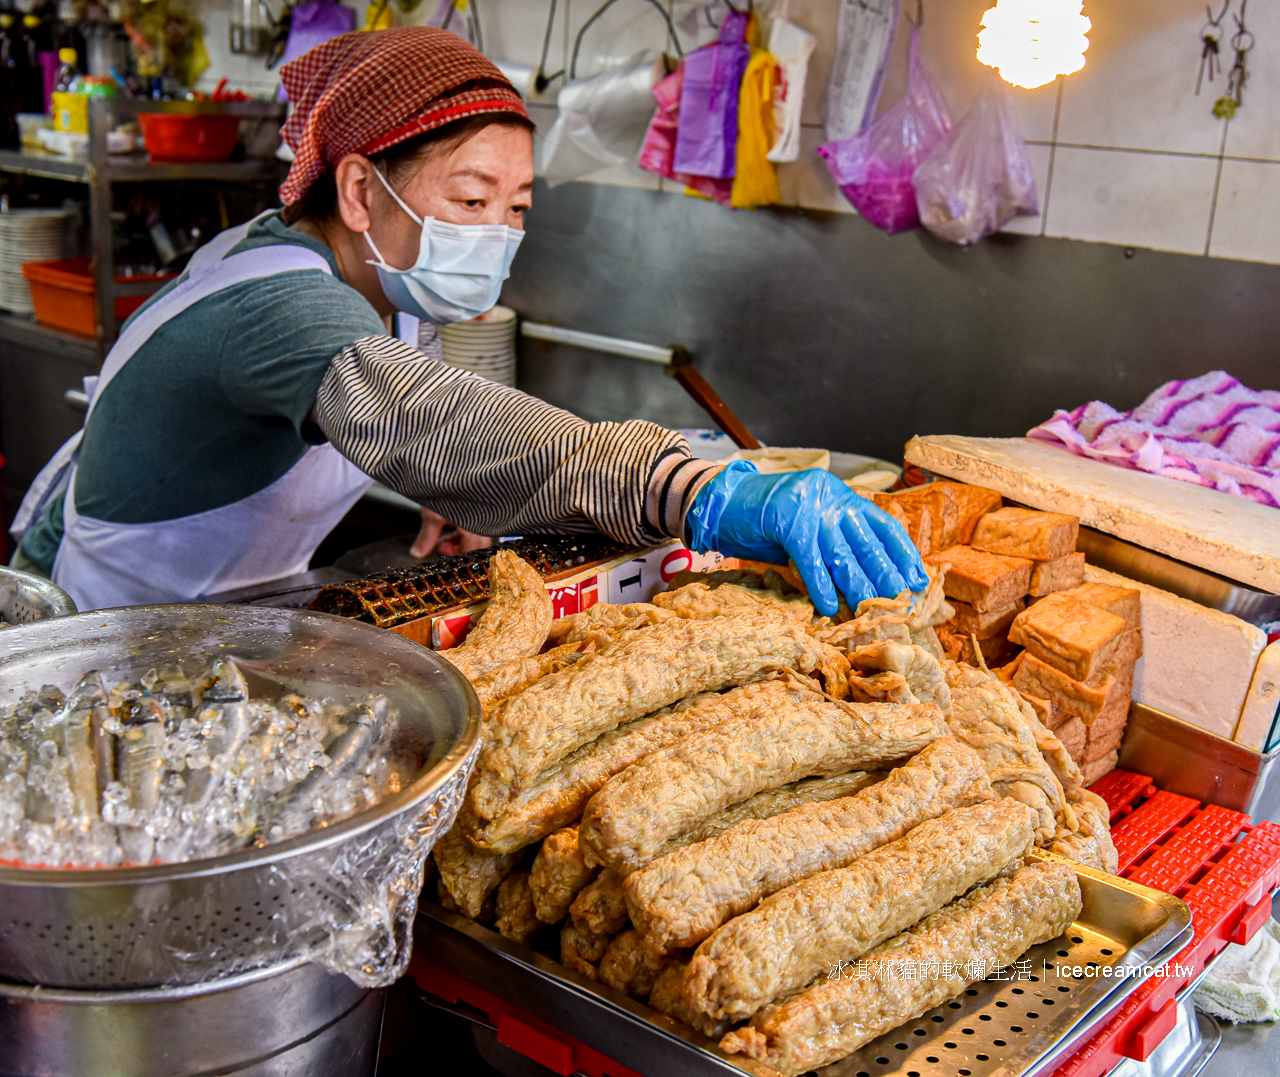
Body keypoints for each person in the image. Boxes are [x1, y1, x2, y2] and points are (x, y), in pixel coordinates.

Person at [9, 27, 925, 615]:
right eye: (472, 197)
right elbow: (418, 416)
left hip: (245, 616)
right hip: (118, 633)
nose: (495, 235)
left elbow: (421, 415)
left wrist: (454, 495)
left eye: (518, 207)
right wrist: (698, 491)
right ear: (361, 189)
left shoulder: (390, 274)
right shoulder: (274, 299)